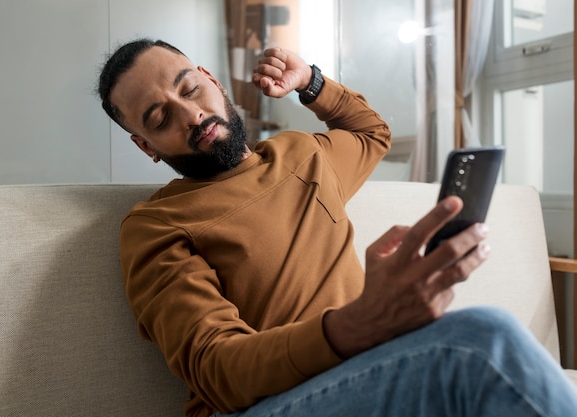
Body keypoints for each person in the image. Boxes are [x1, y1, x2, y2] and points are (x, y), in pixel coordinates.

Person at [97, 38, 577, 417]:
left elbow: (372, 133)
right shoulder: (155, 225)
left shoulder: (302, 154)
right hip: (263, 406)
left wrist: (310, 82)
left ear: (212, 81)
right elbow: (216, 368)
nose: (191, 114)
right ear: (147, 147)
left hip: (367, 370)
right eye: (160, 117)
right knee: (481, 338)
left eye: (189, 89)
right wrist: (361, 323)